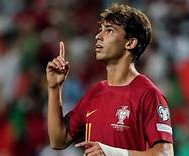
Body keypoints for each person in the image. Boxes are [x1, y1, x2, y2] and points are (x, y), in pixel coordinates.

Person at [46, 3, 173, 156]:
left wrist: (112, 153)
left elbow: (165, 153)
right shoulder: (95, 92)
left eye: (110, 30)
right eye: (101, 30)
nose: (98, 36)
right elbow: (58, 140)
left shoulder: (149, 94)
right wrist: (54, 88)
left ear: (130, 43)